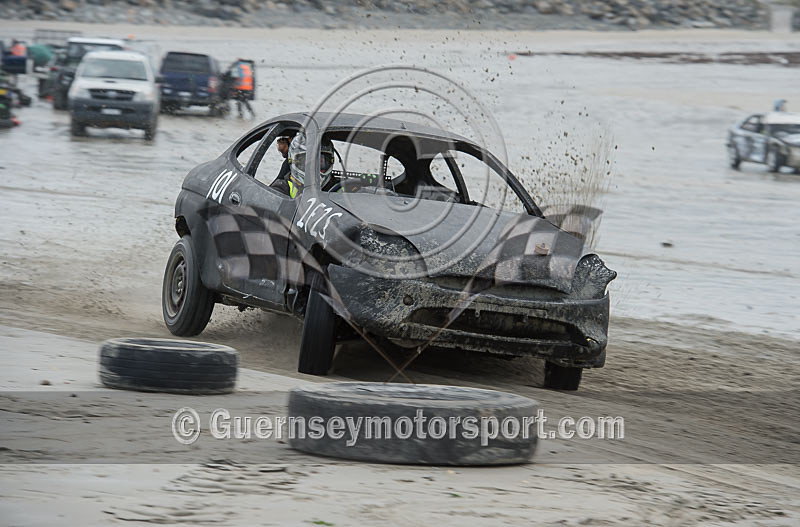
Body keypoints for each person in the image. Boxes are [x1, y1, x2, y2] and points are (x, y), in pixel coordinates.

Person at [271, 134, 335, 198]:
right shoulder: (281, 189)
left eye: (321, 163)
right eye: (308, 163)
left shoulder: (338, 187)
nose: (314, 169)